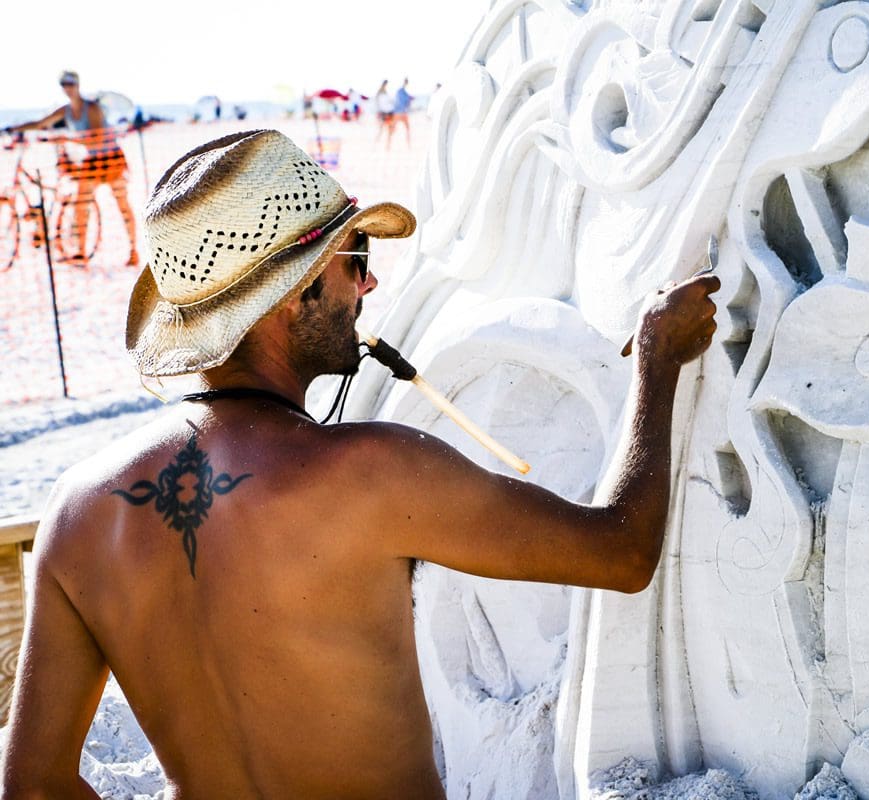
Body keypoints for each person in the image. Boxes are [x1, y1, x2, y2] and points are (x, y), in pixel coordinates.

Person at [0, 129, 719, 797]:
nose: (366, 288)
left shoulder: (78, 510)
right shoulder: (372, 470)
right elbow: (622, 553)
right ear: (297, 289)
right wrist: (658, 364)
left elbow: (31, 786)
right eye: (356, 261)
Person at [2, 70, 140, 266]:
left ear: (77, 84)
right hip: (90, 162)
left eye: (70, 84)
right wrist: (13, 129)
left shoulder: (91, 108)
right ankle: (81, 252)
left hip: (110, 159)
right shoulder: (65, 110)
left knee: (122, 206)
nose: (67, 88)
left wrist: (67, 138)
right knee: (81, 205)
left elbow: (97, 139)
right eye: (64, 84)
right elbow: (41, 123)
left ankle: (133, 250)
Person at [374, 78, 397, 149]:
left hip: (384, 113)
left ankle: (382, 145)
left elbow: (378, 104)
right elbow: (387, 103)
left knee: (382, 130)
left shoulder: (380, 93)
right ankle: (386, 145)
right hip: (387, 113)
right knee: (387, 129)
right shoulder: (383, 94)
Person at [394, 77, 413, 148]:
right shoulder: (402, 92)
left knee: (406, 129)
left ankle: (408, 145)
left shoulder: (401, 91)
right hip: (401, 112)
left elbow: (398, 102)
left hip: (398, 112)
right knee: (406, 129)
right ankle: (408, 145)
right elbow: (405, 103)